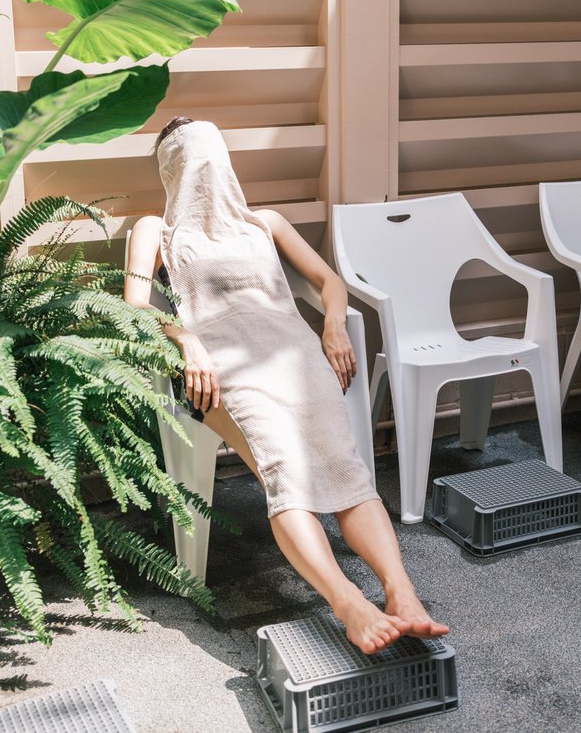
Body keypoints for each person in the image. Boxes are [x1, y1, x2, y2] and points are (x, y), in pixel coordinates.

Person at [125, 118, 448, 654]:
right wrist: (185, 339)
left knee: (345, 464)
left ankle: (402, 593)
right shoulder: (153, 232)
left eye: (212, 158)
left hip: (295, 355)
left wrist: (335, 323)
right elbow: (134, 311)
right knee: (284, 470)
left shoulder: (264, 223)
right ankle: (349, 605)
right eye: (189, 162)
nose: (206, 172)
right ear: (170, 171)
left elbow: (329, 282)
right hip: (221, 368)